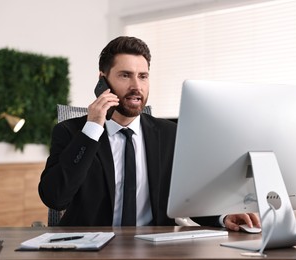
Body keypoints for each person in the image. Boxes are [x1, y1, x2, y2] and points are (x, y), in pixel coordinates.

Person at [38, 36, 260, 231]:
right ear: (102, 79)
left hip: (154, 247)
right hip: (92, 248)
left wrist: (223, 217)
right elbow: (56, 198)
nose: (137, 86)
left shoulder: (170, 134)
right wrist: (93, 129)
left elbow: (187, 198)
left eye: (143, 76)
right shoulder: (71, 132)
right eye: (125, 75)